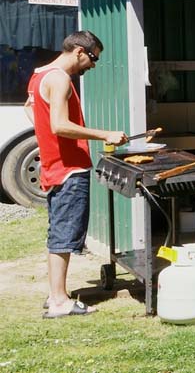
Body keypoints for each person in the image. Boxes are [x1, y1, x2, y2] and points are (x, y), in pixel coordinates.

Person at [24, 30, 127, 318]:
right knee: (64, 235)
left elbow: (31, 111)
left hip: (54, 166)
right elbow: (59, 125)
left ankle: (56, 294)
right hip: (69, 169)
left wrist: (47, 137)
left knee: (58, 232)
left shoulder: (39, 74)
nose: (93, 65)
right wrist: (104, 134)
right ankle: (59, 301)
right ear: (79, 51)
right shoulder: (60, 79)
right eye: (93, 58)